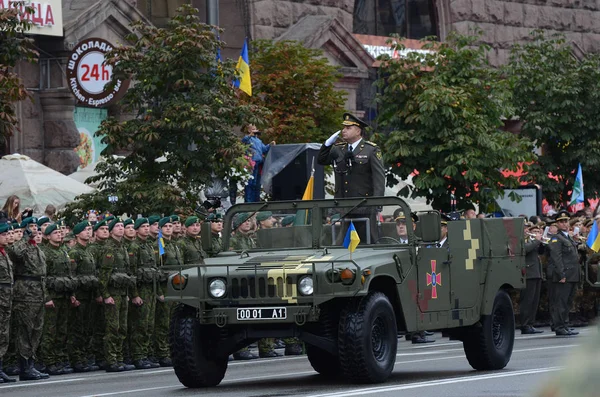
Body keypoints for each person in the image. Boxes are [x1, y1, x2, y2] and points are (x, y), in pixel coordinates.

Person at [8, 217, 50, 381]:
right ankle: (24, 366)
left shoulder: (36, 248)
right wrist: (25, 237)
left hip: (37, 293)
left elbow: (42, 274)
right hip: (25, 294)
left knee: (36, 330)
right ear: (25, 229)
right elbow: (16, 254)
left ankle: (31, 364)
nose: (35, 230)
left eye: (36, 227)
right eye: (31, 227)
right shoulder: (20, 246)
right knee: (25, 331)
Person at [317, 113, 385, 199]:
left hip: (362, 204)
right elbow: (321, 160)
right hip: (340, 205)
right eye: (344, 127)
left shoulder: (371, 150)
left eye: (348, 128)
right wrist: (327, 144)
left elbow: (379, 180)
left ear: (358, 131)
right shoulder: (338, 148)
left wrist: (377, 205)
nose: (343, 130)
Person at [40, 223, 78, 375]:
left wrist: (72, 294)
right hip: (53, 297)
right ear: (48, 236)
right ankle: (48, 361)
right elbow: (42, 278)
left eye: (59, 232)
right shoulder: (45, 253)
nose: (59, 235)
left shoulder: (64, 251)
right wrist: (46, 297)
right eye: (55, 233)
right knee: (50, 330)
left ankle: (59, 359)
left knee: (62, 330)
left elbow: (69, 275)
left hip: (64, 296)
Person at [99, 218, 135, 372]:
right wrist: (106, 294)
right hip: (113, 293)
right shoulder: (109, 248)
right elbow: (103, 275)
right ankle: (111, 359)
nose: (121, 228)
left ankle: (119, 358)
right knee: (112, 328)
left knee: (122, 327)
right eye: (117, 226)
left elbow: (126, 273)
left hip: (122, 293)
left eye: (122, 226)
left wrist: (127, 293)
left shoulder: (123, 248)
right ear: (112, 231)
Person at [128, 218, 160, 370]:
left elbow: (155, 268)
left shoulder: (150, 245)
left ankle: (146, 354)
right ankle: (138, 356)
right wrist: (134, 294)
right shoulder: (134, 247)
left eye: (149, 226)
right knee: (140, 324)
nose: (147, 229)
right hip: (141, 290)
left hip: (151, 289)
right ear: (137, 229)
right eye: (144, 227)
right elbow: (132, 273)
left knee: (149, 324)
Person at [67, 221, 99, 372]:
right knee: (78, 328)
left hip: (89, 295)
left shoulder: (89, 251)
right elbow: (71, 275)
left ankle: (85, 357)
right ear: (78, 234)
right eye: (85, 230)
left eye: (90, 229)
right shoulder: (75, 252)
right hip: (80, 295)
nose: (89, 231)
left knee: (88, 328)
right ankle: (77, 359)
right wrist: (73, 295)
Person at [547, 210, 580, 336]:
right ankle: (559, 326)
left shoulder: (567, 237)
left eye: (566, 221)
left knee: (567, 302)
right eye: (561, 222)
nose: (565, 224)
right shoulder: (556, 238)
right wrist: (561, 274)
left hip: (572, 275)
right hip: (564, 275)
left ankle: (564, 325)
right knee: (560, 302)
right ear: (557, 224)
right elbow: (557, 258)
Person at [153, 217, 180, 367]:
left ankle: (171, 351)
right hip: (165, 288)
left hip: (176, 288)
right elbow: (157, 270)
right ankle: (162, 353)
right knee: (163, 323)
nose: (169, 228)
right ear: (160, 229)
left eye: (171, 225)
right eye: (166, 226)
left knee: (173, 322)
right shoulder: (159, 245)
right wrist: (159, 292)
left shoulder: (174, 245)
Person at [520, 224, 545, 334]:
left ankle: (531, 323)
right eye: (525, 228)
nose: (526, 231)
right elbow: (525, 249)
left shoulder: (532, 240)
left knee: (534, 301)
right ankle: (525, 324)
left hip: (536, 272)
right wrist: (536, 240)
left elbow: (540, 252)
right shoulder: (521, 240)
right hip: (528, 273)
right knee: (527, 300)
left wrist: (541, 242)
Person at [0, 223, 16, 383]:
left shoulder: (4, 253)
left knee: (3, 335)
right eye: (3, 234)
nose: (7, 237)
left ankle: (0, 367)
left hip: (6, 300)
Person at [242, 124, 275, 202]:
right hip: (251, 163)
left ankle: (256, 201)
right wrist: (250, 135)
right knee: (250, 183)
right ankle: (248, 202)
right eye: (252, 129)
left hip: (259, 163)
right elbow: (243, 141)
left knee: (257, 184)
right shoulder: (248, 138)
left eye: (255, 129)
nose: (255, 131)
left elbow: (264, 149)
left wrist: (270, 145)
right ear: (249, 130)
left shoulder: (259, 140)